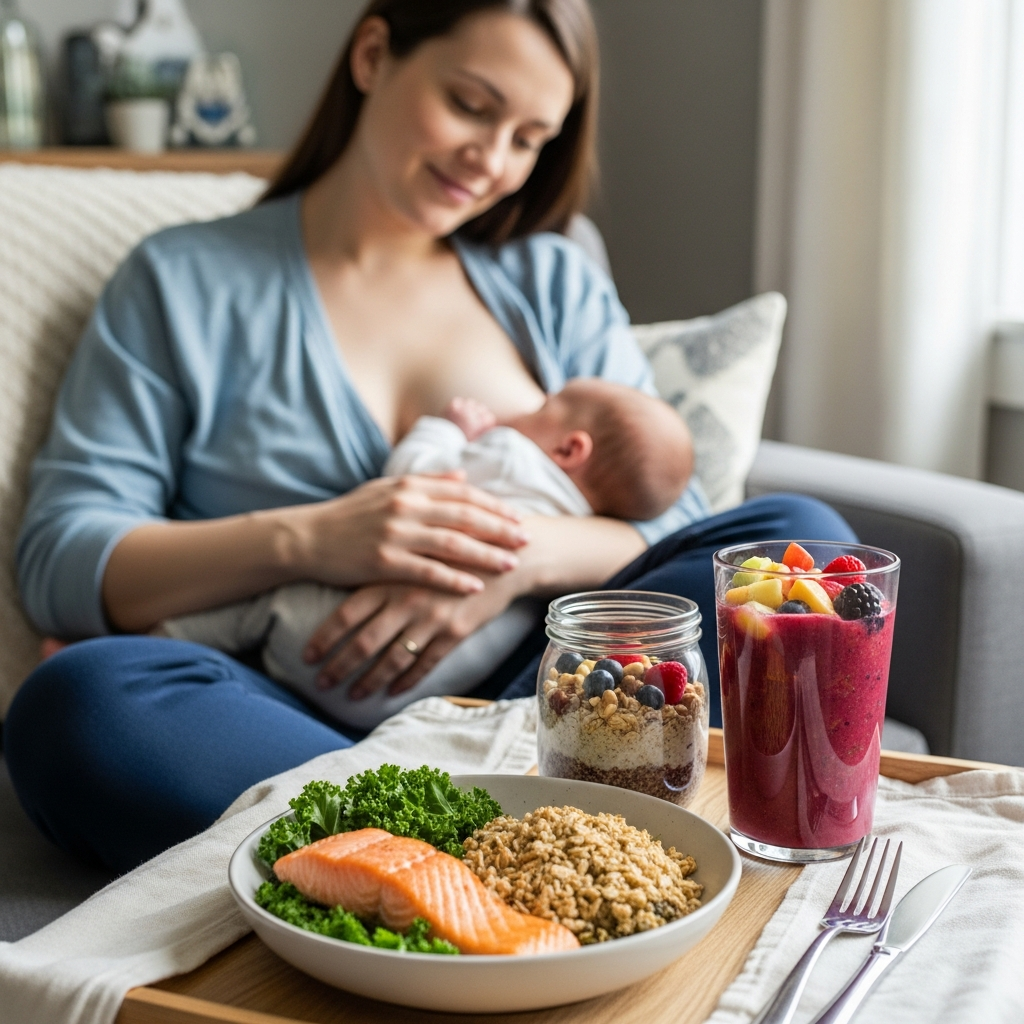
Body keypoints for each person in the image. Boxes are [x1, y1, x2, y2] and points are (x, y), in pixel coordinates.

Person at [5, 0, 856, 874]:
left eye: (528, 139)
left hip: (537, 694)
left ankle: (398, 843)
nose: (491, 160)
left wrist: (508, 562)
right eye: (470, 106)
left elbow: (674, 523)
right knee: (77, 705)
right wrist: (312, 538)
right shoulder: (181, 281)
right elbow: (61, 559)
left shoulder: (550, 278)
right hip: (290, 714)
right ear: (373, 55)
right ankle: (504, 832)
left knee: (801, 546)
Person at [156, 379, 694, 731]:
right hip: (417, 694)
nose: (521, 413)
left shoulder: (513, 457)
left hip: (336, 641)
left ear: (570, 448)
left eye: (540, 407)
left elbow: (409, 485)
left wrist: (446, 429)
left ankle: (166, 635)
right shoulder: (579, 518)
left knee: (264, 606)